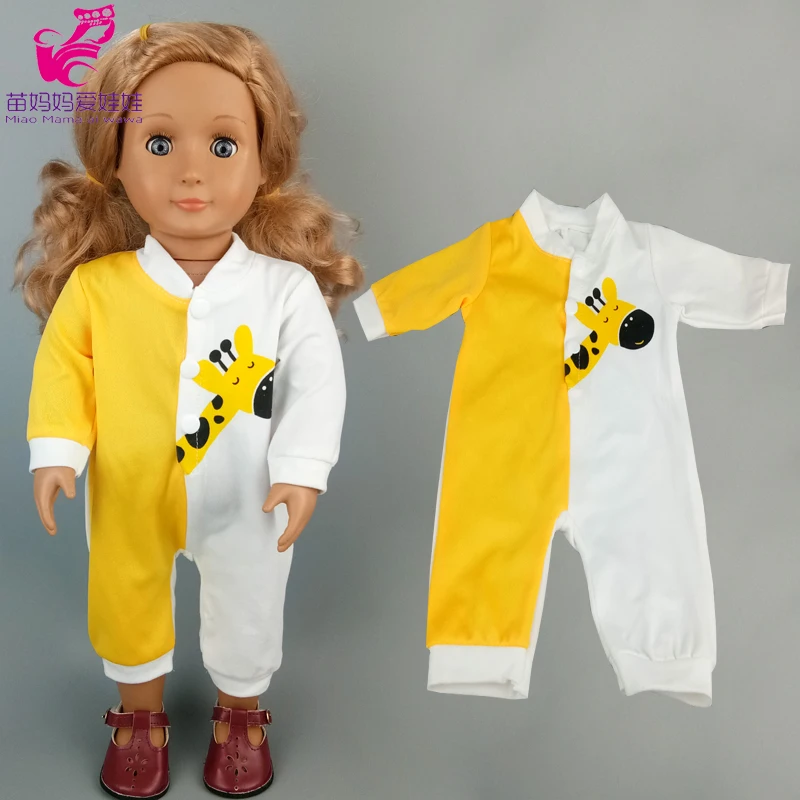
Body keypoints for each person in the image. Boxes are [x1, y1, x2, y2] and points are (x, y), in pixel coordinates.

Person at [13, 21, 363, 799]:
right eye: (160, 143)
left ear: (264, 164)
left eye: (224, 145)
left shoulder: (282, 290)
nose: (191, 171)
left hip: (248, 491)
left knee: (249, 597)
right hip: (129, 491)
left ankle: (241, 713)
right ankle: (138, 717)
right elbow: (64, 368)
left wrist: (301, 467)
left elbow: (317, 379)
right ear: (117, 160)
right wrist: (57, 452)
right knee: (127, 596)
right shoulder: (98, 288)